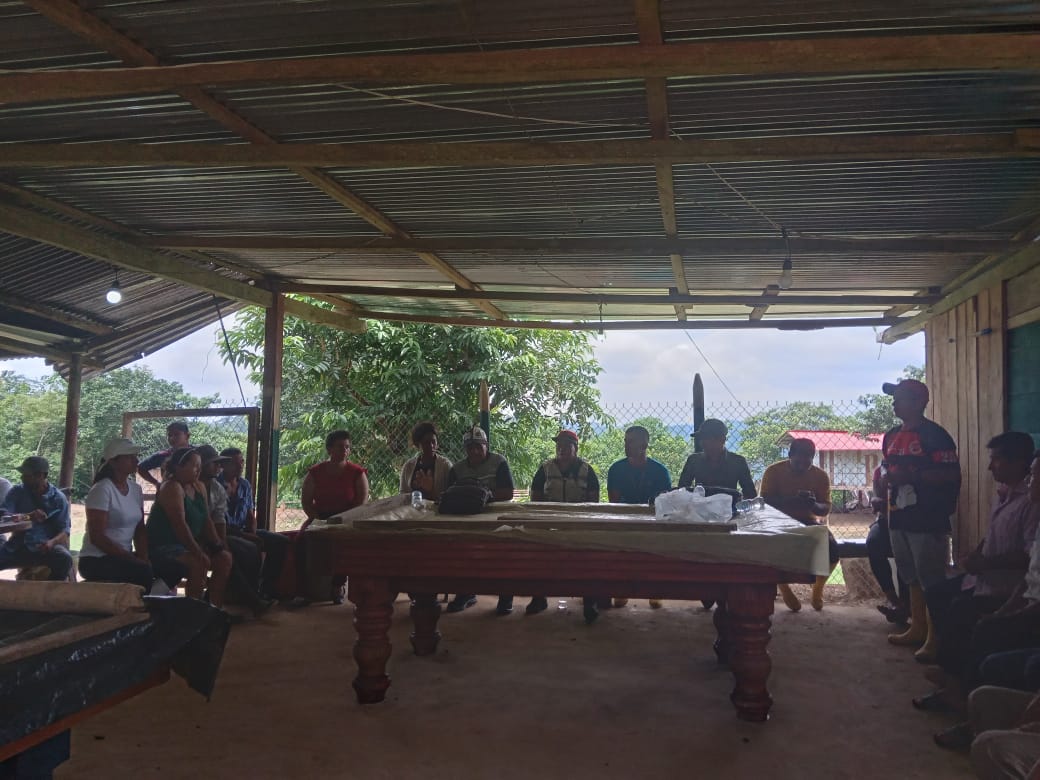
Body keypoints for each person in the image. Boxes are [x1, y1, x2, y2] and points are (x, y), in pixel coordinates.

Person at [879, 378, 961, 652]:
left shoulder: (935, 435)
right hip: (898, 514)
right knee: (910, 574)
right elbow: (886, 467)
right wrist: (885, 480)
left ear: (919, 403)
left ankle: (936, 638)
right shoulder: (891, 435)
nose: (894, 403)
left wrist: (911, 477)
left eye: (900, 397)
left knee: (931, 577)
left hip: (927, 517)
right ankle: (918, 627)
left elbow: (950, 475)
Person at [79, 437, 185, 593]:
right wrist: (132, 559)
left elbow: (140, 529)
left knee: (175, 567)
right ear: (113, 462)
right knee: (142, 572)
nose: (136, 460)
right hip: (96, 559)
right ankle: (144, 602)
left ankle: (148, 598)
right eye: (129, 457)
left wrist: (143, 556)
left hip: (124, 556)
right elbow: (97, 537)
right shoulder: (102, 489)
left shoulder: (135, 489)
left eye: (135, 456)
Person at [522, 429, 600, 616]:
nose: (561, 449)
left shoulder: (587, 471)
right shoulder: (545, 469)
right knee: (539, 553)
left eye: (566, 445)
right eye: (559, 445)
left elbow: (593, 503)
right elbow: (536, 500)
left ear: (576, 448)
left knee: (588, 556)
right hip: (549, 523)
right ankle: (539, 598)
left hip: (579, 526)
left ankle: (589, 600)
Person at [145, 447, 233, 608]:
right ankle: (193, 612)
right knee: (198, 562)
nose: (198, 470)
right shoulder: (171, 487)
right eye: (194, 466)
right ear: (179, 467)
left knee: (224, 559)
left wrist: (217, 545)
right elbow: (180, 525)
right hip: (164, 546)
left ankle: (214, 609)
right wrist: (198, 551)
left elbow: (207, 520)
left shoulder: (198, 487)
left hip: (186, 546)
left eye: (200, 466)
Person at [294, 430, 370, 606]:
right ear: (329, 449)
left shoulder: (357, 473)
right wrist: (318, 519)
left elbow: (361, 502)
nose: (345, 450)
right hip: (321, 517)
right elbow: (306, 502)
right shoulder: (315, 472)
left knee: (342, 543)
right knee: (301, 541)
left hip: (346, 518)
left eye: (347, 447)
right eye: (340, 446)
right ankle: (303, 589)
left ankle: (338, 586)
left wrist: (344, 520)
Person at [760, 437, 837, 611]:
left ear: (813, 457)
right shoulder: (773, 471)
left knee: (832, 549)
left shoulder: (820, 476)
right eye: (799, 459)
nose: (803, 463)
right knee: (769, 550)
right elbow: (765, 501)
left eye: (808, 459)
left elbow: (825, 509)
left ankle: (817, 589)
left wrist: (812, 505)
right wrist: (791, 501)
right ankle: (783, 587)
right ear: (789, 455)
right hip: (777, 521)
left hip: (807, 521)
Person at [445, 426, 515, 614]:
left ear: (486, 445)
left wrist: (483, 496)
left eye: (479, 446)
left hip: (495, 516)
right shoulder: (457, 469)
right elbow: (448, 495)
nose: (475, 451)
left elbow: (508, 492)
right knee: (460, 551)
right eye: (470, 447)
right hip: (465, 518)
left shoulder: (499, 462)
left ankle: (505, 596)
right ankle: (465, 593)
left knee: (502, 551)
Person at [196, 445, 272, 617]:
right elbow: (203, 522)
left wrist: (223, 542)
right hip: (199, 537)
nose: (218, 466)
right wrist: (220, 543)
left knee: (270, 543)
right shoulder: (193, 486)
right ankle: (249, 600)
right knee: (242, 550)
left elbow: (219, 520)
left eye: (219, 463)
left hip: (217, 534)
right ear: (201, 465)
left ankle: (261, 593)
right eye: (214, 463)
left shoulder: (218, 487)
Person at [606, 425, 673, 615]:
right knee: (620, 547)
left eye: (630, 442)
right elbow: (614, 503)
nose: (626, 445)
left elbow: (664, 503)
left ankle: (655, 589)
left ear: (644, 445)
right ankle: (622, 588)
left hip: (653, 522)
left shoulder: (660, 471)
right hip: (624, 521)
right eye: (625, 441)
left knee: (657, 547)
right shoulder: (616, 469)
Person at [218, 446, 290, 600]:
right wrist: (248, 537)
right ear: (223, 465)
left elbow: (250, 515)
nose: (240, 466)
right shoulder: (216, 485)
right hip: (225, 533)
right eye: (235, 463)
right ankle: (248, 594)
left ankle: (267, 589)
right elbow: (218, 524)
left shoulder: (244, 484)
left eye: (242, 462)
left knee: (281, 542)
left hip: (243, 530)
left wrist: (252, 532)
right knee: (250, 547)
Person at [0, 456, 72, 581]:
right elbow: (4, 516)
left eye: (27, 475)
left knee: (64, 559)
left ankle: (49, 590)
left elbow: (65, 531)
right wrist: (28, 516)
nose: (22, 478)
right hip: (17, 547)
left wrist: (51, 543)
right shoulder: (17, 492)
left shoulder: (58, 498)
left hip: (44, 548)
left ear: (41, 475)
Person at [867, 464, 910, 624]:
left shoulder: (911, 468)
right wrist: (876, 501)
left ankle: (906, 603)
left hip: (909, 522)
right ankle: (893, 599)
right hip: (885, 520)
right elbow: (877, 497)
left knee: (903, 551)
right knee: (874, 542)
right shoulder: (880, 470)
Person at [677, 418, 756, 499]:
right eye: (702, 439)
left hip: (728, 506)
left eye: (708, 439)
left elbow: (750, 494)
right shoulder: (693, 460)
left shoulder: (738, 462)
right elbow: (681, 491)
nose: (703, 443)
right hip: (700, 506)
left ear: (722, 440)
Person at [399, 421, 452, 501]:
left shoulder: (445, 465)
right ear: (417, 445)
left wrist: (431, 490)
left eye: (433, 442)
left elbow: (451, 498)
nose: (431, 446)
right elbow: (402, 496)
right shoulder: (408, 467)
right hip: (412, 508)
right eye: (426, 442)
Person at [137, 421, 191, 491]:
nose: (172, 438)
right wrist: (156, 483)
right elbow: (140, 468)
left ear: (187, 436)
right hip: (169, 492)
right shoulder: (163, 455)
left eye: (176, 434)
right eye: (169, 435)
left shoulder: (197, 453)